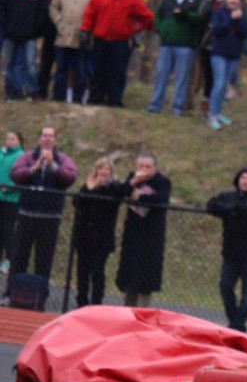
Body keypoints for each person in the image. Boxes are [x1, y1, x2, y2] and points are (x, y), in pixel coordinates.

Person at [6, 126, 78, 292]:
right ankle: (11, 292)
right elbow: (15, 174)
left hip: (50, 218)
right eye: (44, 135)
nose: (47, 139)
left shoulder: (63, 159)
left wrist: (53, 166)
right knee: (19, 257)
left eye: (51, 136)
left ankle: (40, 295)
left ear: (55, 140)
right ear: (39, 139)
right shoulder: (28, 157)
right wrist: (34, 168)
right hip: (26, 215)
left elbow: (70, 178)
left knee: (44, 260)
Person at [205, 167, 247, 332]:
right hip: (231, 254)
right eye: (243, 178)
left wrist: (233, 209)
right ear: (237, 180)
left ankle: (238, 325)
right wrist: (230, 209)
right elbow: (211, 205)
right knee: (225, 286)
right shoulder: (227, 196)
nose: (245, 181)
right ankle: (234, 322)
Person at [80, 0, 154, 108]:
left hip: (120, 42)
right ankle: (96, 99)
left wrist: (135, 29)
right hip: (101, 40)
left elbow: (147, 16)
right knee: (98, 72)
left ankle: (114, 101)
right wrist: (85, 31)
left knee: (117, 73)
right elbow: (89, 14)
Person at [114, 153, 170, 307]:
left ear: (154, 169)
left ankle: (142, 314)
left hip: (151, 236)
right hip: (132, 233)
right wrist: (133, 182)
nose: (143, 170)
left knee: (145, 278)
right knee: (129, 276)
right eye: (141, 166)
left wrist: (139, 197)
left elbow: (160, 201)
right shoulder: (133, 178)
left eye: (148, 167)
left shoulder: (162, 182)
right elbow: (118, 193)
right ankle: (127, 312)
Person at [147, 0, 206, 116]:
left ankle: (178, 107)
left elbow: (201, 18)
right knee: (161, 74)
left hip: (186, 45)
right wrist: (160, 29)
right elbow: (157, 16)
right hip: (166, 43)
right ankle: (155, 105)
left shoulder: (197, 1)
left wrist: (186, 15)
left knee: (182, 77)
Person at [71, 157, 122, 307]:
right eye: (101, 168)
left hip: (101, 239)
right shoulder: (88, 185)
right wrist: (90, 189)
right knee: (82, 271)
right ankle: (81, 301)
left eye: (107, 169)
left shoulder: (114, 188)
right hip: (84, 236)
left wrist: (100, 188)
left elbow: (109, 206)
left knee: (97, 272)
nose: (103, 172)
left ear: (111, 172)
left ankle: (96, 303)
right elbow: (77, 203)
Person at [48, 0, 96, 104]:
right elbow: (53, 7)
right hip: (63, 38)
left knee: (81, 72)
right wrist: (59, 22)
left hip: (82, 40)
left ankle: (77, 99)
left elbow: (99, 12)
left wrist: (90, 30)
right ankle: (58, 97)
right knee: (60, 70)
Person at [0, 0, 49, 101]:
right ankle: (12, 93)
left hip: (29, 36)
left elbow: (42, 15)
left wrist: (36, 31)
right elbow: (2, 11)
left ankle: (33, 92)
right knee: (7, 67)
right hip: (10, 35)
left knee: (31, 65)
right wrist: (7, 27)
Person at [206, 0, 247, 130]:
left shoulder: (243, 16)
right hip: (218, 54)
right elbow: (218, 31)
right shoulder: (219, 13)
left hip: (233, 55)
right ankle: (211, 116)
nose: (233, 0)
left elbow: (244, 33)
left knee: (224, 86)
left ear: (239, 1)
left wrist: (238, 20)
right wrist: (231, 20)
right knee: (218, 84)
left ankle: (218, 113)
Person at [0, 131, 24, 276]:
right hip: (0, 197)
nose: (9, 141)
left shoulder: (21, 156)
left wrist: (10, 187)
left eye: (13, 139)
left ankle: (8, 259)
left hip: (12, 198)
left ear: (19, 141)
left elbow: (20, 176)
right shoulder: (2, 154)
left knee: (8, 230)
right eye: (8, 138)